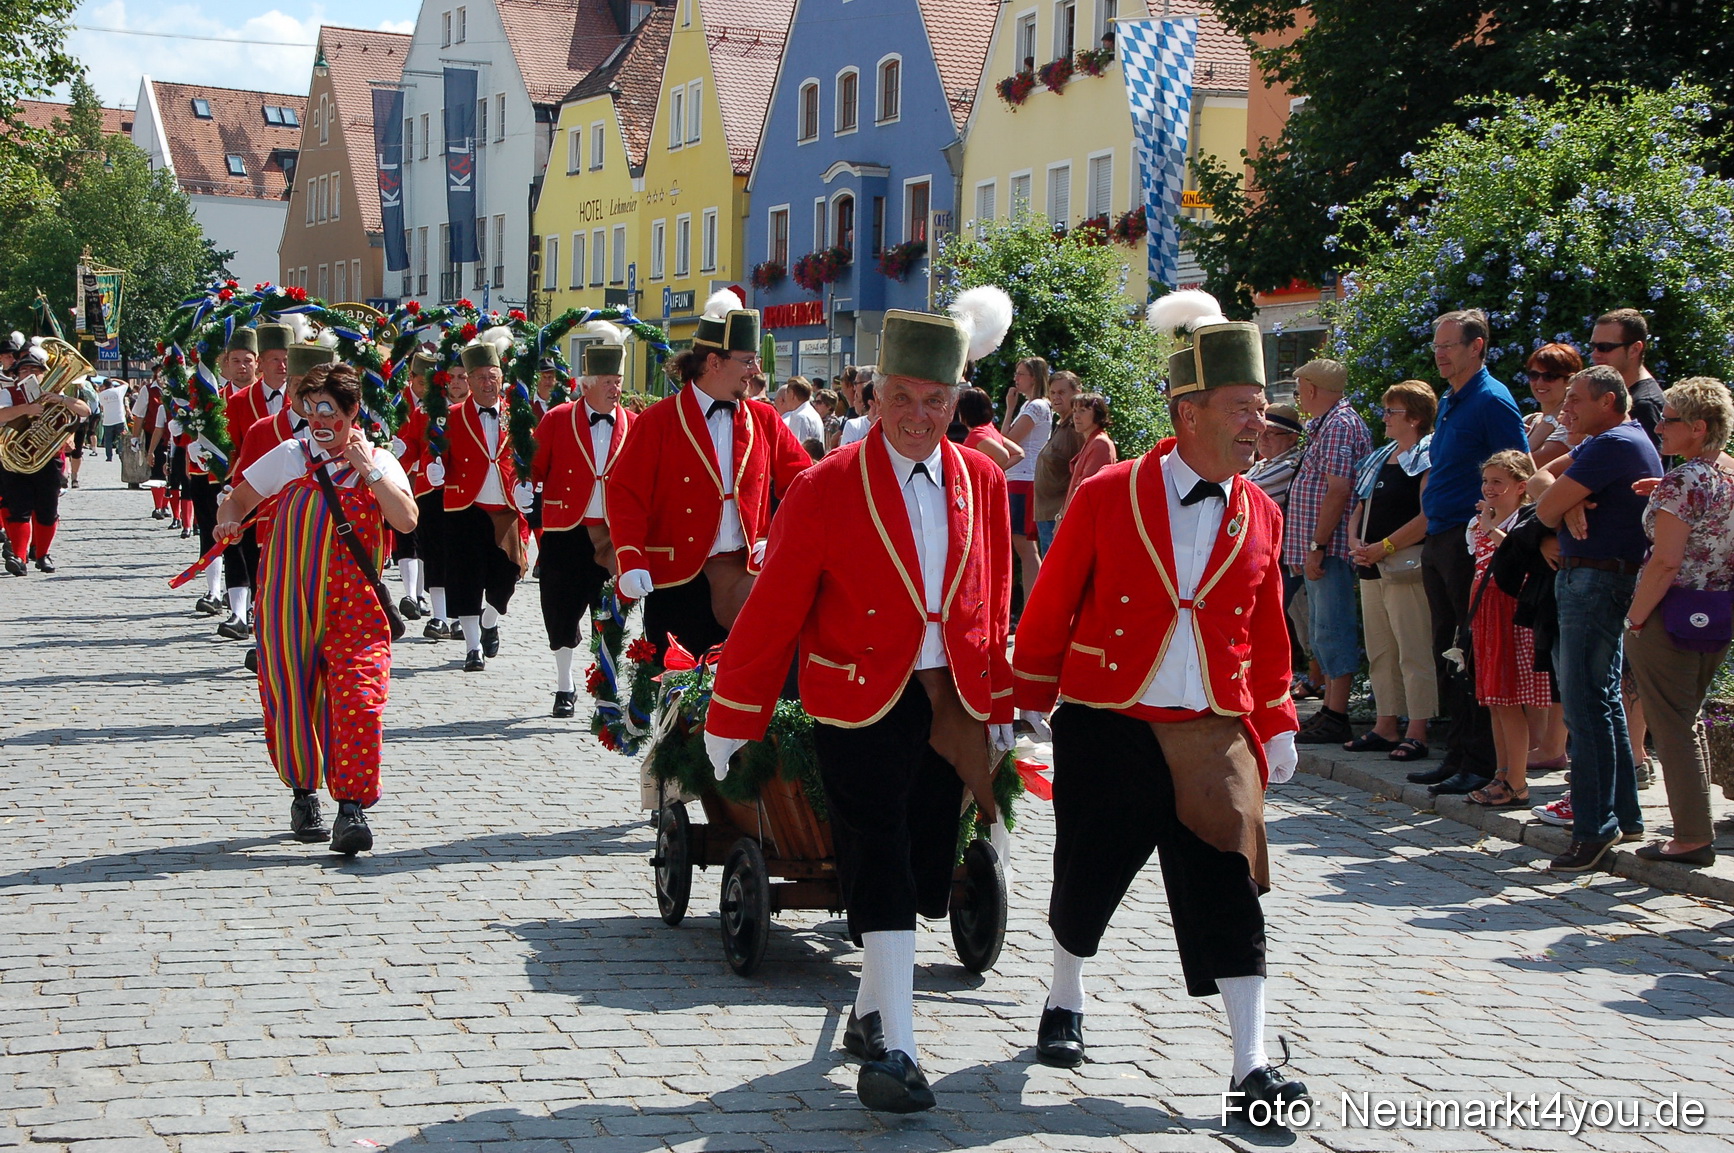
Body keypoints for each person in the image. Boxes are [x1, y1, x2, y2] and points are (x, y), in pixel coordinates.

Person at [704, 289, 1016, 1114]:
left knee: (920, 859)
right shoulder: (828, 484)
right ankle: (899, 1051)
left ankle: (874, 1009)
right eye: (904, 398)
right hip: (854, 696)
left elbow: (993, 591)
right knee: (875, 847)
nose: (919, 415)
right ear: (874, 398)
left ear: (956, 401)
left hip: (947, 696)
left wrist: (1000, 703)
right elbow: (773, 612)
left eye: (936, 401)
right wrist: (732, 715)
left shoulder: (981, 479)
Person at [1017, 292, 1306, 1124]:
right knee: (1089, 873)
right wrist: (1028, 691)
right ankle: (1064, 996)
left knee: (1228, 888)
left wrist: (1277, 718)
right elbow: (1055, 599)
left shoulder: (1263, 511)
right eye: (1243, 408)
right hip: (1110, 716)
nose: (1259, 423)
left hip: (1214, 728)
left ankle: (1251, 1065)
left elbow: (1264, 622)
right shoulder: (1109, 492)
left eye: (1261, 409)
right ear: (1189, 411)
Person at [214, 363, 417, 855]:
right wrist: (227, 522)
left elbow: (406, 521)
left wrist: (367, 468)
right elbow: (237, 499)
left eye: (328, 410)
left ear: (353, 412)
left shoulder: (381, 461)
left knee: (360, 701)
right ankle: (304, 795)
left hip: (356, 604)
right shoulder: (290, 454)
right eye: (309, 408)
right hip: (288, 597)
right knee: (291, 698)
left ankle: (351, 808)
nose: (318, 420)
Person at [607, 291, 811, 662]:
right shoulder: (659, 421)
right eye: (748, 360)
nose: (756, 371)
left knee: (742, 688)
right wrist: (631, 556)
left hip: (745, 573)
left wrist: (781, 534)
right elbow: (625, 492)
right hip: (677, 578)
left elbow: (805, 484)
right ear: (714, 362)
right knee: (677, 693)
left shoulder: (764, 420)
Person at [1532, 364, 1663, 871]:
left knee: (1586, 707)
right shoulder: (1607, 442)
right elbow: (1540, 478)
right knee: (1601, 700)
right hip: (1592, 577)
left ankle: (1594, 828)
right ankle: (1623, 816)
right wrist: (1565, 506)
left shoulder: (1613, 444)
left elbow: (1539, 505)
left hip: (1595, 580)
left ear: (1609, 401)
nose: (1570, 410)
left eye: (1578, 401)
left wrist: (1556, 507)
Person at [1411, 309, 1527, 792]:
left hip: (1469, 538)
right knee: (1448, 647)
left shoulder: (1492, 400)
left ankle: (1480, 762)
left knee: (1472, 649)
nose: (1439, 354)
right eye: (1436, 346)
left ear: (1476, 347)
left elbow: (1519, 470)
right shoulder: (1452, 399)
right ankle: (1456, 753)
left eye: (1449, 346)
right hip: (1440, 534)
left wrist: (1494, 527)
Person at [1622, 378, 1734, 866]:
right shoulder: (1724, 474)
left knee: (1672, 727)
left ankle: (1690, 836)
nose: (1659, 426)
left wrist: (1634, 619)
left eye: (1669, 420)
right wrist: (1662, 493)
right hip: (1715, 614)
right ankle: (1695, 826)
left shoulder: (1685, 481)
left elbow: (1666, 562)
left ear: (1698, 427)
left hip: (1669, 616)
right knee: (1686, 720)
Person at [532, 328, 633, 717]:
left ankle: (606, 688)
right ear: (587, 385)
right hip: (565, 531)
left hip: (612, 534)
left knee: (608, 614)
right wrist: (526, 489)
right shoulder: (559, 418)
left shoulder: (634, 423)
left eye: (618, 381)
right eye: (608, 382)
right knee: (559, 610)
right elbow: (532, 465)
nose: (614, 389)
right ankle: (564, 685)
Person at [1344, 381, 1436, 761]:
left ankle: (1418, 728)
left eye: (1392, 412)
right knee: (1381, 649)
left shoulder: (1430, 457)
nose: (1384, 418)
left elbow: (1427, 515)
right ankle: (1385, 724)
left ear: (1414, 418)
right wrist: (1354, 542)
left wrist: (1385, 547)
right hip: (1371, 567)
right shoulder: (1382, 457)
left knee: (1412, 648)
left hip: (1404, 566)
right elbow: (1362, 508)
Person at [1284, 359, 1372, 746]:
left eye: (1299, 386)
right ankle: (1329, 709)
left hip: (1330, 549)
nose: (1297, 394)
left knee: (1332, 630)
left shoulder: (1338, 425)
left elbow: (1338, 490)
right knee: (1322, 631)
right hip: (1320, 548)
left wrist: (1317, 545)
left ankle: (1337, 713)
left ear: (1313, 389)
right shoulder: (1328, 423)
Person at [440, 332, 533, 672]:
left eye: (492, 376)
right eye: (479, 377)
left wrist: (528, 484)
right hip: (466, 508)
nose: (486, 383)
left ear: (501, 379)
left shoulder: (518, 416)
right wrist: (436, 468)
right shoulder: (451, 415)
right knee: (465, 580)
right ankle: (472, 647)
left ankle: (490, 619)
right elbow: (436, 453)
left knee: (505, 578)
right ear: (468, 380)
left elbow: (529, 456)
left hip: (505, 509)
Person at [1463, 451, 1551, 808]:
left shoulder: (1527, 521)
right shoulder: (1483, 521)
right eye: (1486, 481)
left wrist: (1491, 527)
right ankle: (1502, 773)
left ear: (1521, 486)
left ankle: (1517, 781)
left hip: (1510, 614)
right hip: (1486, 612)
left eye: (1498, 482)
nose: (1489, 488)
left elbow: (1523, 558)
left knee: (1511, 700)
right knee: (1495, 701)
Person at [214, 323, 293, 643]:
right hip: (249, 489)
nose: (281, 365)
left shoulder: (304, 400)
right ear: (260, 363)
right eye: (274, 359)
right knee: (241, 549)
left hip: (289, 493)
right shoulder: (239, 401)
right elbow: (230, 446)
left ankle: (273, 623)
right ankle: (239, 612)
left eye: (286, 358)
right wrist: (229, 485)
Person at [0, 343, 91, 575]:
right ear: (16, 375)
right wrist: (25, 410)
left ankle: (42, 554)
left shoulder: (56, 393)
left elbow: (84, 411)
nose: (29, 374)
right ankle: (19, 558)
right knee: (17, 508)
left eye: (35, 371)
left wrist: (61, 401)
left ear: (44, 373)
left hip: (48, 459)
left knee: (47, 510)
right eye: (23, 371)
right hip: (15, 459)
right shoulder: (8, 393)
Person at [1000, 357, 1051, 612]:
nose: (1016, 379)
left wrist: (1010, 408)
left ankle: (1034, 606)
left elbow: (1007, 439)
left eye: (1021, 374)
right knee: (1023, 545)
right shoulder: (1030, 406)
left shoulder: (1037, 406)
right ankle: (1034, 606)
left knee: (1024, 545)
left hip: (1025, 478)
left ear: (1033, 377)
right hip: (1019, 477)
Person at [1589, 308, 1665, 446]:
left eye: (1604, 347)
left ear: (1635, 349)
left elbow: (1651, 464)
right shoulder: (1623, 395)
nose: (1595, 354)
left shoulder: (1644, 405)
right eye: (1593, 346)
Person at [1032, 370, 1082, 555]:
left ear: (1077, 392)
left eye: (1062, 392)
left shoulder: (1076, 428)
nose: (1056, 397)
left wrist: (1066, 512)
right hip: (1047, 516)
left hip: (1060, 516)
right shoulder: (1061, 425)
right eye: (1052, 393)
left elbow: (1084, 472)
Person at [1524, 342, 1582, 468]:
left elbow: (1523, 467)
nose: (1539, 382)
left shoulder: (1572, 425)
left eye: (1549, 376)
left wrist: (1550, 422)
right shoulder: (1529, 420)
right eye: (1534, 375)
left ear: (1570, 380)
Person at [1061, 392, 1115, 513]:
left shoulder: (1100, 444)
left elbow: (1085, 489)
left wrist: (1064, 517)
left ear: (1097, 413)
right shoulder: (1091, 441)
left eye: (1083, 410)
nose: (1076, 416)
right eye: (1074, 411)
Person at [957, 387, 1022, 470]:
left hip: (981, 482)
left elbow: (1004, 455)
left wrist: (988, 474)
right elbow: (1018, 453)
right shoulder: (990, 429)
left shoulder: (977, 435)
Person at [777, 376, 825, 445]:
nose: (785, 398)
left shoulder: (800, 417)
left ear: (792, 394)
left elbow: (797, 448)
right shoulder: (810, 413)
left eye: (786, 393)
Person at [839, 375, 877, 446]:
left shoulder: (892, 425)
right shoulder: (853, 425)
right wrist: (871, 432)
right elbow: (848, 454)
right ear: (871, 403)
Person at [97, 378, 130, 460]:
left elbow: (101, 405)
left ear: (104, 385)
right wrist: (116, 379)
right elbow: (126, 384)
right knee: (121, 437)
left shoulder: (101, 394)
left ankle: (109, 456)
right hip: (119, 418)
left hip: (108, 420)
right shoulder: (118, 390)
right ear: (112, 384)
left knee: (108, 439)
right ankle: (121, 452)